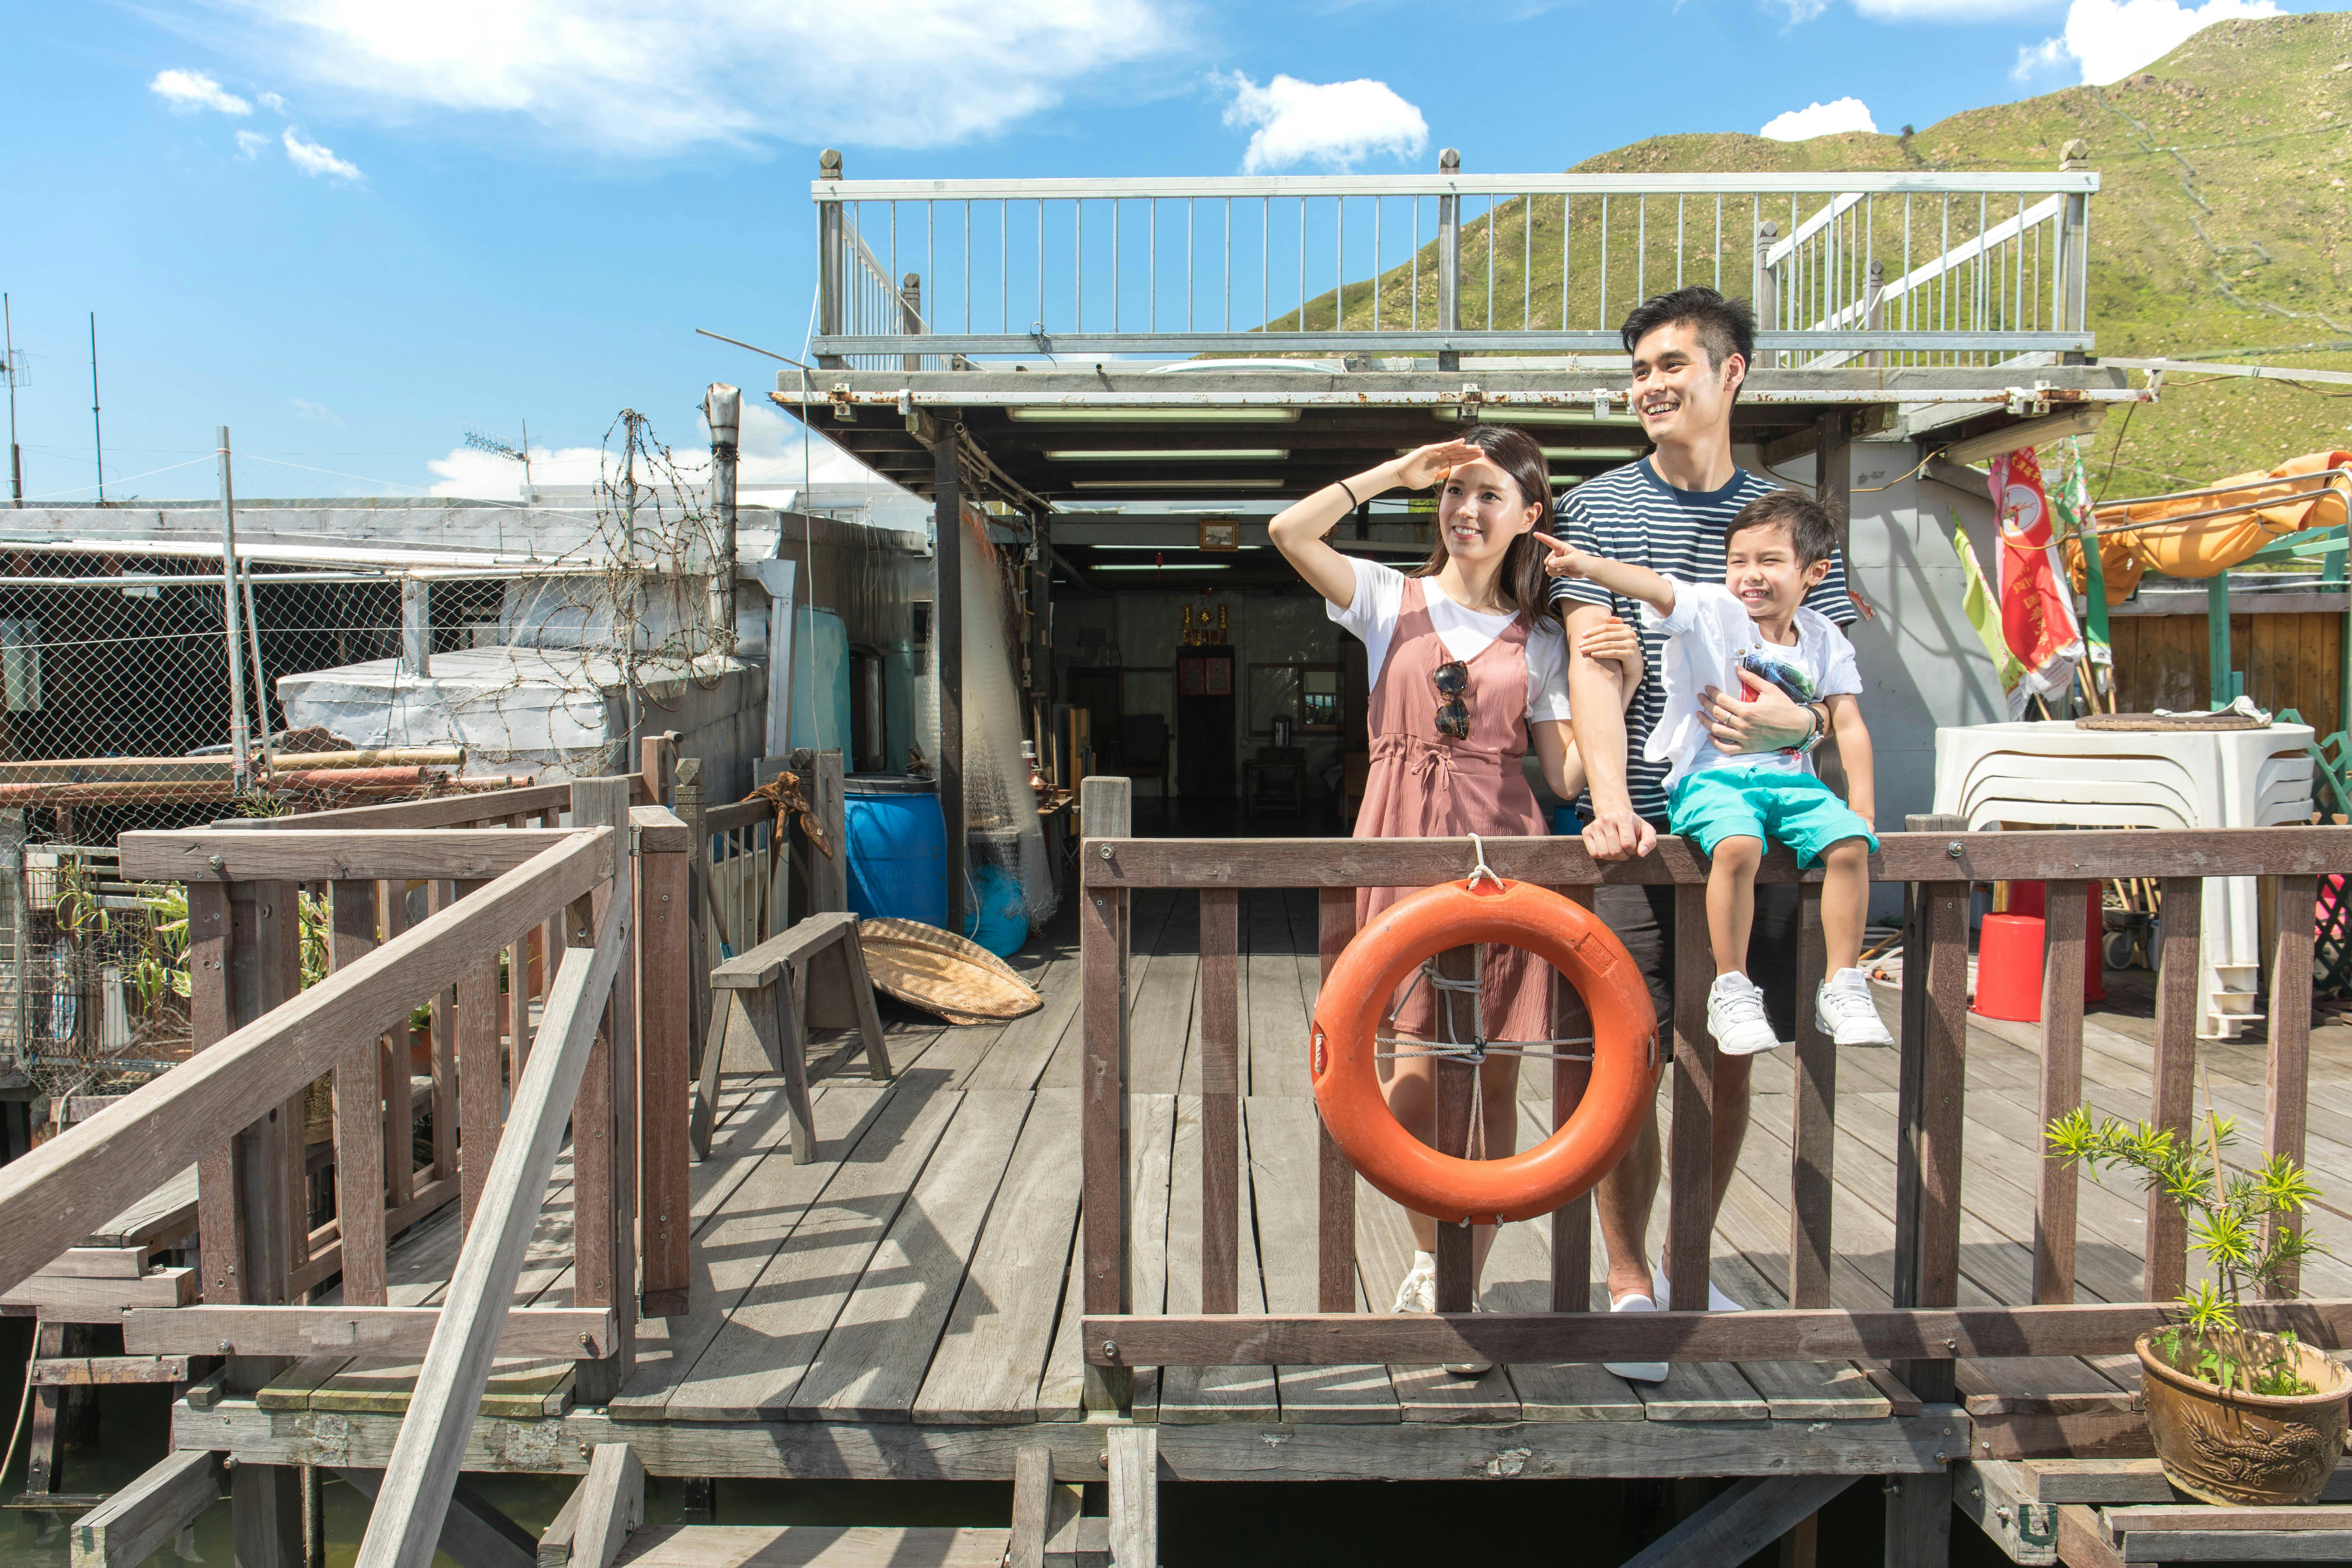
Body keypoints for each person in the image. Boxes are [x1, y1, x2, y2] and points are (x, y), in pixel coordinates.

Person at [1269, 424, 1642, 1363]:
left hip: (1506, 853)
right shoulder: (1386, 599)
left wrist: (1625, 680)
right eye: (1453, 492)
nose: (1465, 510)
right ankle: (1434, 1254)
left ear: (1529, 516)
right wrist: (1392, 472)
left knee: (1495, 1068)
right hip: (1400, 843)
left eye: (1488, 495)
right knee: (1410, 1067)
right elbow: (1288, 531)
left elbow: (1561, 774)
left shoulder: (1544, 637)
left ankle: (1467, 1264)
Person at [1548, 285, 1862, 1381]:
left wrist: (1800, 727)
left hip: (1759, 834)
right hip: (1637, 832)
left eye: (1672, 364)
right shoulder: (1596, 510)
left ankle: (1691, 1261)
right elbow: (1593, 661)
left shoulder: (1792, 521)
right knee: (1626, 1058)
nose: (1650, 385)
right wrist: (1608, 801)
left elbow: (1828, 681)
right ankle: (1629, 1277)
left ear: (1732, 374)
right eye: (1639, 369)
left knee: (1727, 1054)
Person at [1541, 488, 1893, 1055]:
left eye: (1769, 561)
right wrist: (1587, 566)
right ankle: (1731, 985)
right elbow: (1655, 587)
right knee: (1736, 844)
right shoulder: (1716, 612)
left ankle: (1843, 983)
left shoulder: (1823, 637)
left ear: (1814, 573)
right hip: (1713, 778)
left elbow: (1848, 724)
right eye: (1737, 561)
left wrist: (1864, 808)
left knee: (1851, 843)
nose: (1749, 575)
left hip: (1793, 781)